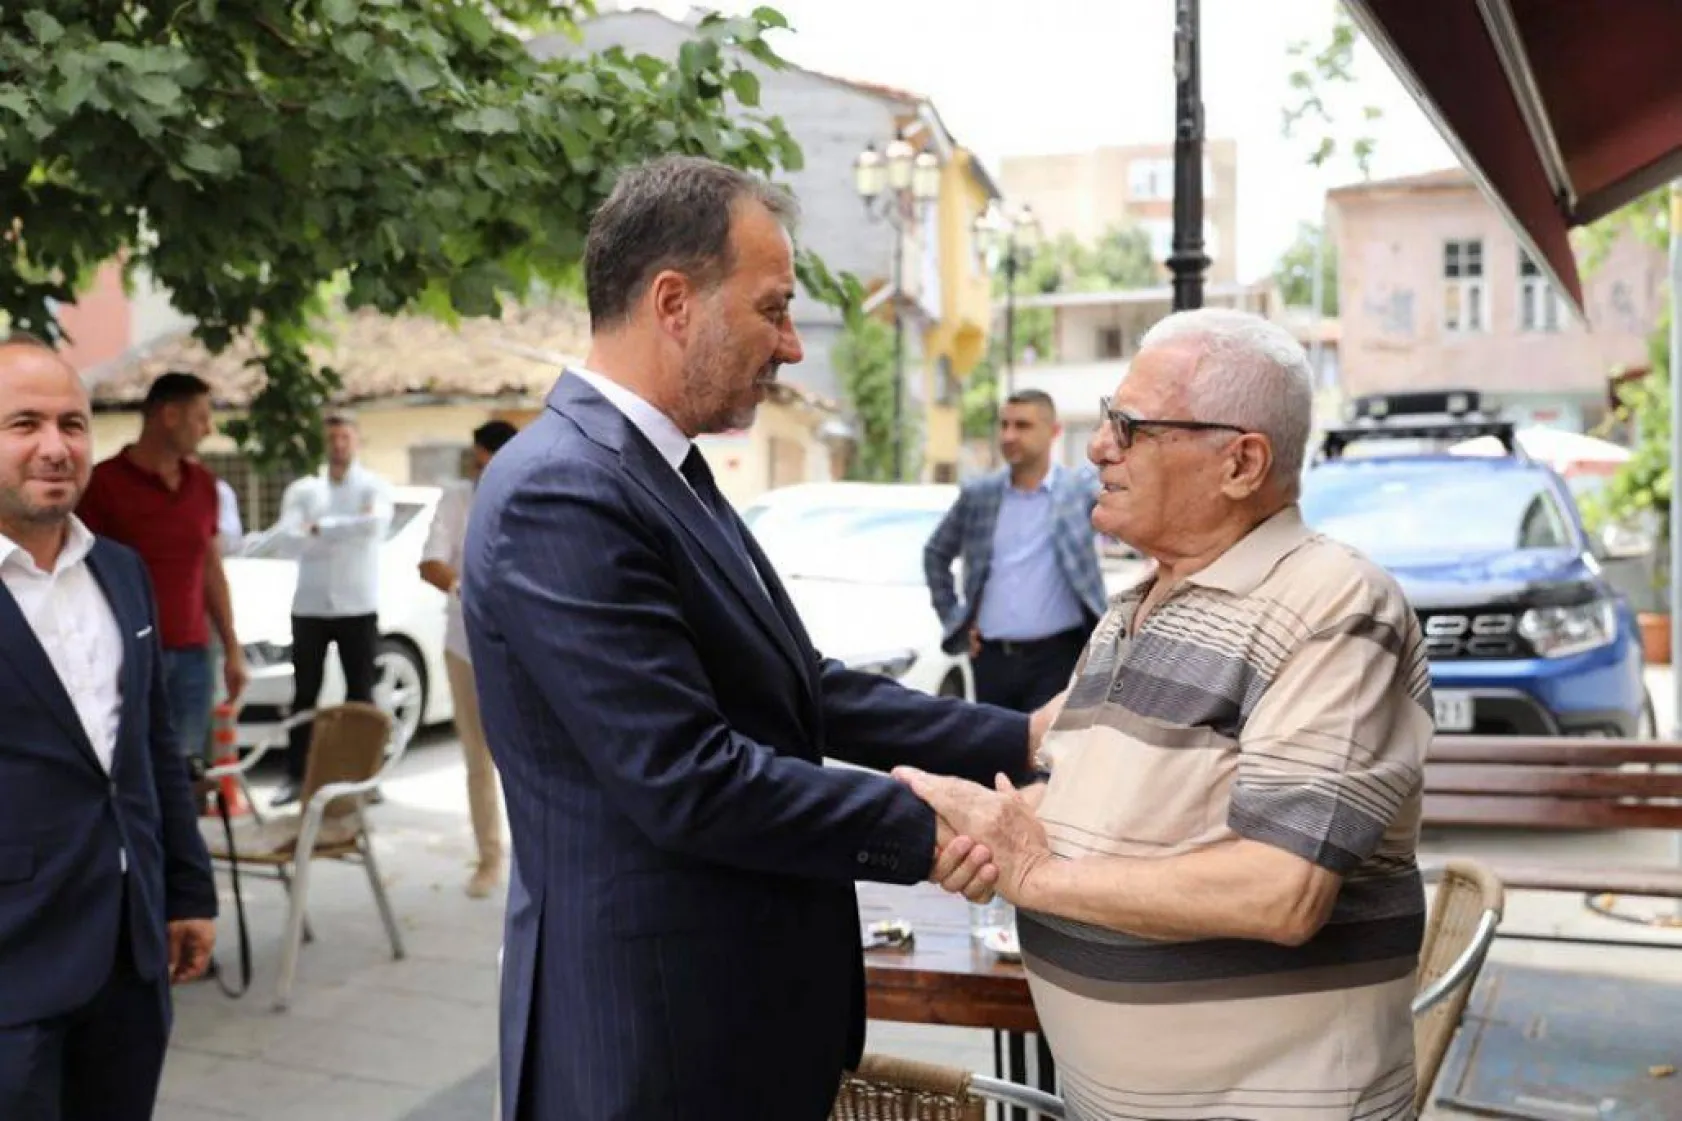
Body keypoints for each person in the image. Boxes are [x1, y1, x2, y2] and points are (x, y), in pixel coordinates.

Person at [462, 155, 1045, 1121]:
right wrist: (935, 829)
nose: (792, 347)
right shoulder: (561, 489)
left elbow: (799, 687)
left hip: (728, 1023)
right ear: (674, 301)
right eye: (774, 310)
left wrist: (1019, 739)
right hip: (652, 1043)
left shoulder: (659, 469)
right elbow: (687, 778)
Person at [900, 308, 1433, 1121]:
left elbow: (1279, 890)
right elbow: (1086, 798)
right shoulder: (1132, 610)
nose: (1098, 446)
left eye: (1131, 425)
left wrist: (1038, 876)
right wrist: (989, 822)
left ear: (1240, 461)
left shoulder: (1333, 604)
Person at [0, 335, 218, 1120]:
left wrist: (189, 889)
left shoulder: (121, 572)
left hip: (128, 965)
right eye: (23, 423)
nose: (55, 447)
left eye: (73, 424)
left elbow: (153, 747)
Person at [77, 372, 247, 762]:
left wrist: (232, 648)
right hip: (125, 654)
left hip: (192, 655)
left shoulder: (204, 485)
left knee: (185, 771)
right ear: (169, 415)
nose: (208, 429)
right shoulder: (102, 485)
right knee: (130, 769)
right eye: (201, 417)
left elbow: (210, 567)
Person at [923, 389, 1107, 712]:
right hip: (992, 660)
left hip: (1060, 657)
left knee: (1047, 758)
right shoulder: (979, 495)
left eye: (1022, 426)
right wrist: (955, 620)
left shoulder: (1078, 491)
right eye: (1004, 424)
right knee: (997, 755)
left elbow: (1134, 524)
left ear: (1054, 432)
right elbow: (936, 553)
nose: (1009, 435)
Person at [419, 419, 518, 898]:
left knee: (528, 758)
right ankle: (489, 859)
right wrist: (466, 587)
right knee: (478, 761)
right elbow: (430, 562)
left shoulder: (530, 492)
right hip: (466, 647)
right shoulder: (458, 498)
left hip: (523, 648)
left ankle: (538, 860)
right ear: (479, 457)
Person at [271, 413, 392, 806]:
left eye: (345, 437)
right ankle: (295, 775)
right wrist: (342, 529)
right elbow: (288, 540)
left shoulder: (373, 486)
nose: (339, 444)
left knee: (362, 694)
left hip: (358, 605)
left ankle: (366, 776)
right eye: (333, 437)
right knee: (305, 693)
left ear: (356, 440)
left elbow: (372, 528)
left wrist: (319, 529)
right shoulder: (305, 491)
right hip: (310, 606)